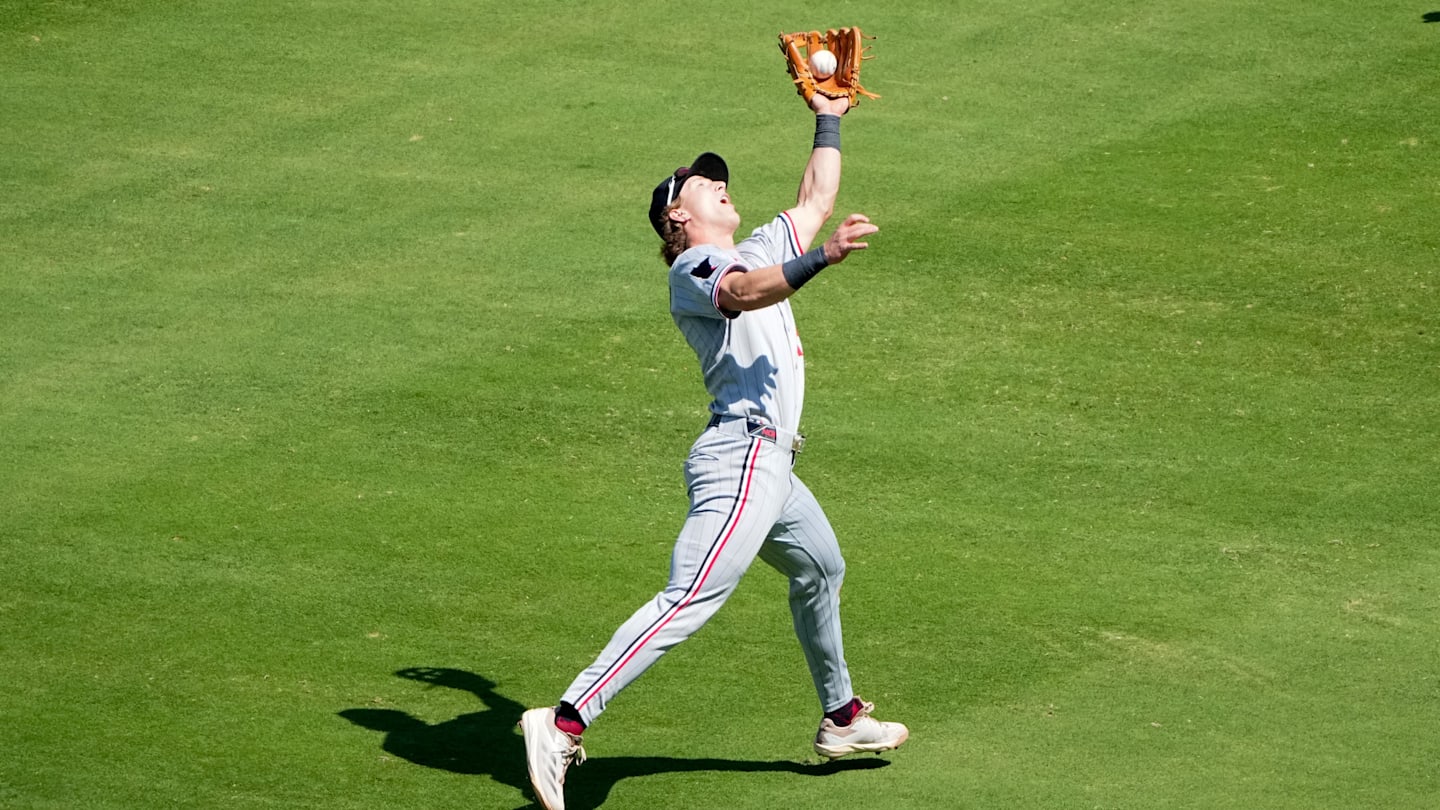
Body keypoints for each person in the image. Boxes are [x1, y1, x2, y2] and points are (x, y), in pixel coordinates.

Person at [520, 91, 907, 810]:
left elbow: (818, 196)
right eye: (703, 179)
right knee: (692, 597)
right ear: (679, 214)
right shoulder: (694, 268)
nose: (718, 179)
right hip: (740, 460)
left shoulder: (754, 244)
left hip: (776, 466)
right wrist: (821, 259)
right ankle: (564, 721)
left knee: (821, 567)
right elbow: (747, 293)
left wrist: (830, 116)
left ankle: (842, 719)